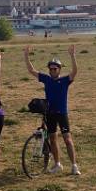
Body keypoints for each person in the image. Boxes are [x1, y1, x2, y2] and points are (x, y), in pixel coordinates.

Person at [23, 44, 80, 175]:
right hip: (49, 113)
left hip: (62, 113)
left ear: (59, 69)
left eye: (55, 69)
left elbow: (75, 72)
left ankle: (74, 165)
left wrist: (72, 56)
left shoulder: (65, 80)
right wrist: (26, 56)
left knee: (67, 139)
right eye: (51, 68)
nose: (53, 70)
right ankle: (57, 164)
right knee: (53, 139)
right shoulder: (47, 79)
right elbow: (31, 70)